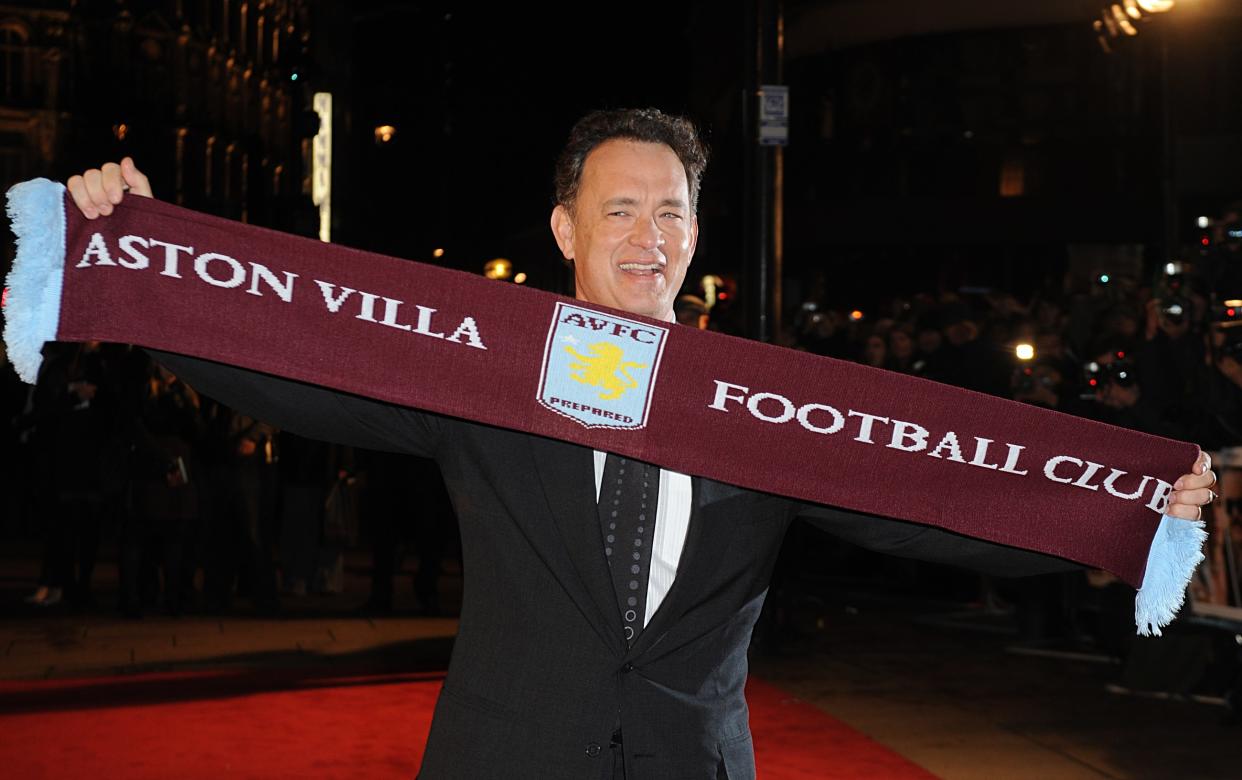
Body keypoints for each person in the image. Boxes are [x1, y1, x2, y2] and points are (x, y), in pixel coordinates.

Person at [67, 108, 1216, 779]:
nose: (647, 236)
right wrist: (138, 272)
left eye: (670, 211)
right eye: (619, 209)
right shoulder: (489, 372)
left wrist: (1117, 511)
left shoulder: (758, 402)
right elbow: (301, 371)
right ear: (567, 228)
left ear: (698, 234)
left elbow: (924, 499)